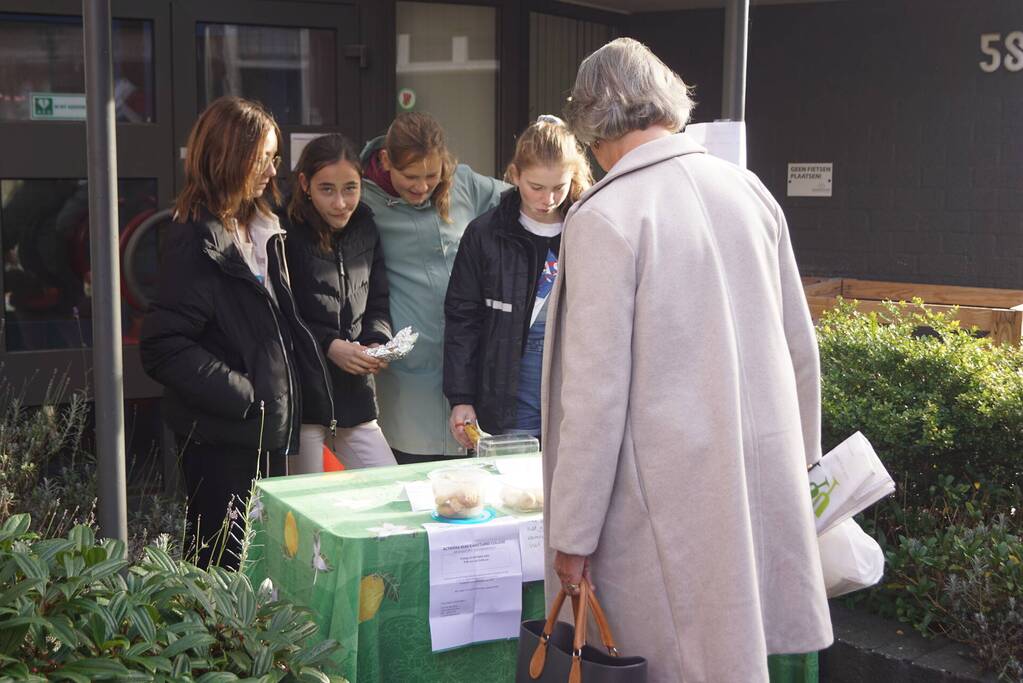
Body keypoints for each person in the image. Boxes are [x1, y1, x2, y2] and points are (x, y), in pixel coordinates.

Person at [542, 38, 833, 682]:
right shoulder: (748, 190)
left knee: (666, 662)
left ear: (591, 123)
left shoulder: (607, 215)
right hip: (753, 481)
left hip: (658, 504)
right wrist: (800, 468)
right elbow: (799, 348)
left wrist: (573, 533)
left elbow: (594, 396)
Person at [140, 96, 332, 568]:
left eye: (275, 158)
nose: (273, 170)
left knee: (262, 570)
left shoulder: (261, 226)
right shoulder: (195, 238)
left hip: (262, 432)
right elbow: (162, 346)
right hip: (225, 438)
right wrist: (246, 396)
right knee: (224, 573)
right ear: (231, 156)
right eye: (263, 158)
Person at [361, 112, 508, 463]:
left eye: (431, 175)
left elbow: (523, 201)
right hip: (408, 374)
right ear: (386, 160)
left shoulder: (464, 183)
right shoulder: (364, 199)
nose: (422, 186)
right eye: (410, 177)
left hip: (470, 363)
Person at [443, 116, 591, 447]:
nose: (548, 199)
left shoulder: (590, 227)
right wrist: (461, 397)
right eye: (536, 187)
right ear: (514, 174)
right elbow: (462, 318)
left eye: (559, 187)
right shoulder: (485, 233)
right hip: (508, 386)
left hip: (576, 387)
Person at [280, 133, 396, 472]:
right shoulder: (283, 230)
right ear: (305, 184)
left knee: (390, 488)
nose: (341, 203)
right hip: (303, 399)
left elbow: (378, 300)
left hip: (354, 395)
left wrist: (377, 341)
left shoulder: (366, 226)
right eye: (327, 189)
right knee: (306, 502)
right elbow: (281, 312)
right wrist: (329, 345)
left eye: (350, 188)